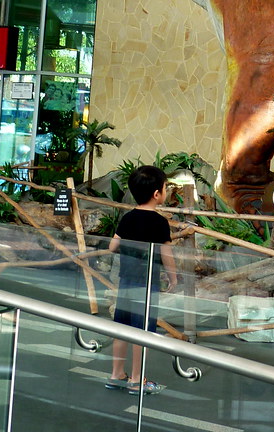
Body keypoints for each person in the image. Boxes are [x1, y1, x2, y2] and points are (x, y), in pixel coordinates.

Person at [106, 165, 178, 396]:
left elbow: (113, 246)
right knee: (142, 331)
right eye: (165, 188)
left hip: (126, 281)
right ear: (157, 194)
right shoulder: (159, 222)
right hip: (147, 283)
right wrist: (173, 277)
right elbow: (167, 255)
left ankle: (116, 373)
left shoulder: (128, 217)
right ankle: (137, 379)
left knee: (122, 328)